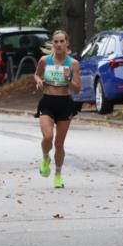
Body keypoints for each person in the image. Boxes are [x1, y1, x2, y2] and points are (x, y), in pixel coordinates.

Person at [33, 30, 81, 189]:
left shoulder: (73, 63)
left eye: (62, 41)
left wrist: (68, 79)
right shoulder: (44, 60)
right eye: (56, 41)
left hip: (64, 104)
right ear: (53, 44)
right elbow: (36, 75)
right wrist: (39, 81)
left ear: (67, 43)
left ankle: (58, 174)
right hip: (47, 102)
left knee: (59, 144)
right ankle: (45, 157)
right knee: (47, 137)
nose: (59, 44)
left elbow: (77, 89)